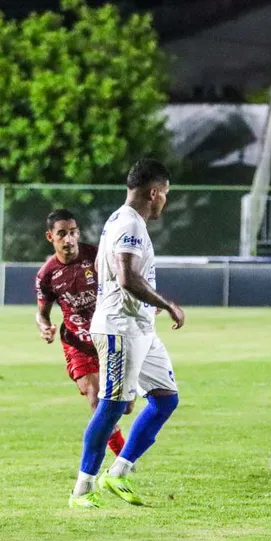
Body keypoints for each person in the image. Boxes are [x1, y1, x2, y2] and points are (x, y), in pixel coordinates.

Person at [69, 159, 185, 509]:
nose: (164, 201)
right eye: (164, 194)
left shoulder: (125, 220)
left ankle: (118, 472)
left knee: (166, 399)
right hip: (121, 327)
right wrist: (168, 304)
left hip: (140, 327)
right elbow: (127, 277)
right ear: (154, 192)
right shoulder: (129, 224)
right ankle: (82, 489)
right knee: (113, 406)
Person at [35, 210, 128, 460]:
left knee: (125, 406)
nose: (69, 239)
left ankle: (121, 455)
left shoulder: (97, 256)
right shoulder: (47, 275)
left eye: (73, 232)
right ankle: (124, 461)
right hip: (78, 343)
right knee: (96, 398)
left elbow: (125, 282)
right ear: (50, 237)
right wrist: (45, 327)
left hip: (109, 336)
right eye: (62, 234)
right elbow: (42, 314)